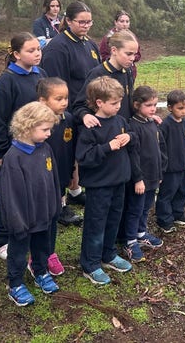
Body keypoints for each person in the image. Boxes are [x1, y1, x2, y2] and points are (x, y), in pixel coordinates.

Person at [0, 32, 47, 259]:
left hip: (37, 147)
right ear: (16, 54)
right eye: (30, 51)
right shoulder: (6, 81)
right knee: (8, 194)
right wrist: (1, 150)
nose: (37, 54)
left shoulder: (41, 74)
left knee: (29, 190)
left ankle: (27, 229)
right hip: (14, 150)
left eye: (38, 49)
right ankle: (1, 238)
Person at [0, 102, 61, 306]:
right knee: (18, 251)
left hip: (44, 213)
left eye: (50, 129)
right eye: (44, 129)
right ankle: (15, 283)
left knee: (42, 245)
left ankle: (40, 271)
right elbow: (10, 193)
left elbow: (53, 180)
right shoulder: (13, 158)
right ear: (27, 127)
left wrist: (55, 206)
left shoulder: (46, 149)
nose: (49, 134)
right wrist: (17, 220)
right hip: (23, 218)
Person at [40, 1, 101, 207]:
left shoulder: (90, 44)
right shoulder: (58, 47)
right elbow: (54, 84)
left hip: (87, 109)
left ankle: (75, 190)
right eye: (81, 22)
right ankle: (60, 202)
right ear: (67, 21)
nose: (85, 26)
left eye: (89, 22)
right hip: (66, 110)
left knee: (77, 152)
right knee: (62, 155)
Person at [76, 76, 135, 285]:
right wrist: (107, 147)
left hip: (119, 181)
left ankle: (108, 254)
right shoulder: (90, 127)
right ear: (99, 103)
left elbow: (132, 133)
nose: (119, 107)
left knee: (113, 219)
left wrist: (129, 137)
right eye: (114, 103)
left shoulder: (119, 121)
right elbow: (84, 157)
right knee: (96, 223)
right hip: (99, 185)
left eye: (120, 102)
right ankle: (90, 264)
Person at [121, 85, 166, 263]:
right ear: (136, 105)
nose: (153, 109)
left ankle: (141, 233)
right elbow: (133, 156)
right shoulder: (134, 126)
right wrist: (138, 179)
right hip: (140, 180)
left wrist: (160, 172)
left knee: (147, 206)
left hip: (153, 176)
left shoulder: (152, 124)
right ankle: (130, 241)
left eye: (155, 105)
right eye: (148, 105)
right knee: (135, 208)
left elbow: (159, 149)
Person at [37, 77, 82, 232]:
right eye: (58, 99)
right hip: (44, 172)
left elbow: (70, 149)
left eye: (66, 98)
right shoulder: (37, 125)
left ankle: (61, 208)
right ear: (43, 101)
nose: (64, 102)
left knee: (60, 190)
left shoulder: (68, 119)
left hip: (62, 167)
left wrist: (71, 173)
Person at [72, 30, 138, 127]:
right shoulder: (98, 73)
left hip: (124, 131)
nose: (132, 58)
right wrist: (85, 115)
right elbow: (79, 105)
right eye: (128, 54)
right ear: (114, 50)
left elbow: (129, 104)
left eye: (134, 54)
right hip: (103, 132)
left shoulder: (127, 71)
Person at [155, 90, 185, 234]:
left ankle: (178, 214)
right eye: (180, 108)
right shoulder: (165, 126)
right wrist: (162, 167)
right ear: (170, 108)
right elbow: (160, 148)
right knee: (167, 194)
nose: (184, 111)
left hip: (183, 166)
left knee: (182, 191)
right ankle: (164, 220)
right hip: (169, 169)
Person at [99, 10, 142, 80]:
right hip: (113, 73)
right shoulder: (108, 37)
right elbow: (103, 56)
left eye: (127, 21)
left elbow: (138, 54)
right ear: (115, 22)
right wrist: (118, 60)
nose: (125, 24)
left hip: (130, 72)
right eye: (122, 21)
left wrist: (130, 57)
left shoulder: (132, 36)